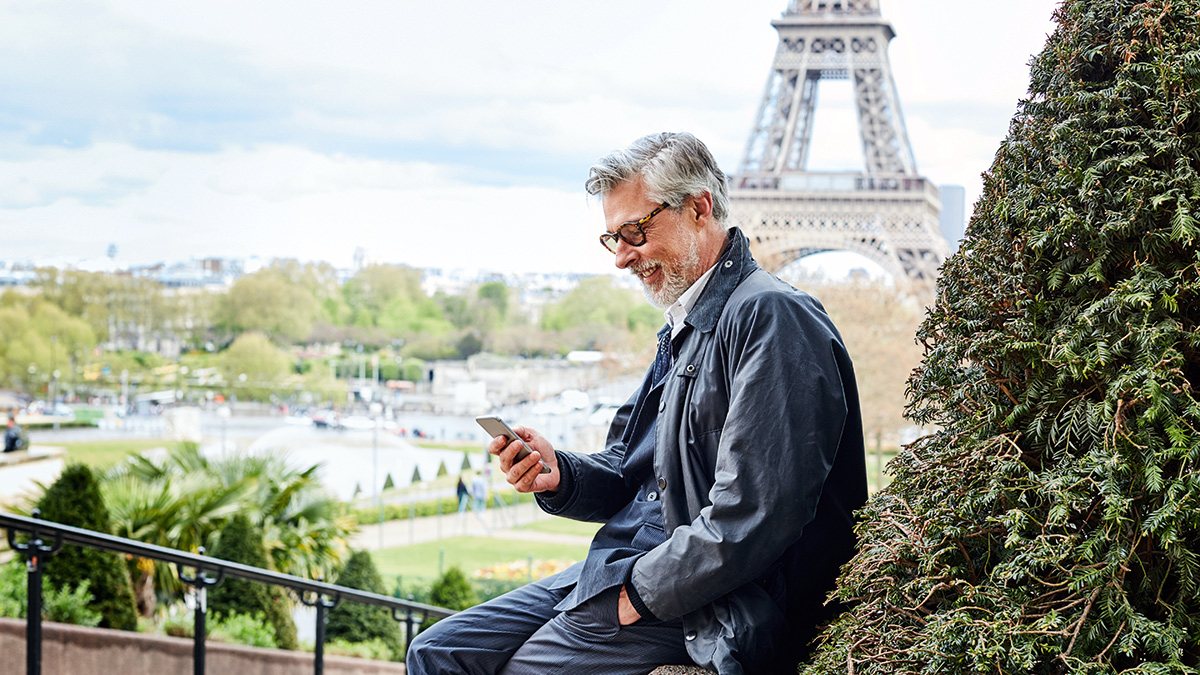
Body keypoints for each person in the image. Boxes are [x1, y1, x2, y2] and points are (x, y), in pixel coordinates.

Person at [406, 132, 867, 675]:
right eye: (612, 239)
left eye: (635, 233)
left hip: (704, 599)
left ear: (699, 208)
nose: (622, 257)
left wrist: (638, 595)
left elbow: (755, 516)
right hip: (630, 570)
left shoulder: (774, 318)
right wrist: (560, 475)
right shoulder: (685, 327)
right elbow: (631, 469)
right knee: (435, 652)